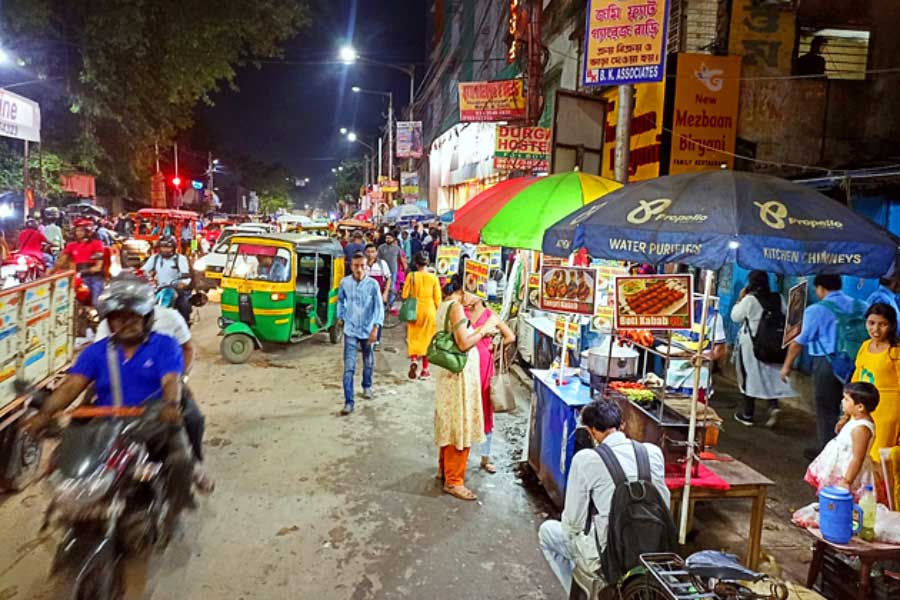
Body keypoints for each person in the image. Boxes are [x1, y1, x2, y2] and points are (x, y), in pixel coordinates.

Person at [24, 278, 194, 520]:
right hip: (106, 424)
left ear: (146, 318)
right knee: (69, 462)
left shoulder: (165, 346)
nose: (126, 323)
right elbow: (71, 386)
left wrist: (171, 404)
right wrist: (44, 414)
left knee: (180, 459)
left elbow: (170, 380)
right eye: (118, 317)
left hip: (152, 420)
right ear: (110, 321)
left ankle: (175, 508)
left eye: (133, 316)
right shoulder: (95, 352)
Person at [94, 276, 214, 494]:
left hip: (166, 383)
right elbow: (100, 356)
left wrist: (181, 377)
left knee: (192, 418)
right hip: (121, 385)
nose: (125, 320)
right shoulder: (108, 326)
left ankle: (195, 464)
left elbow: (187, 348)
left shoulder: (170, 318)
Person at [538, 400, 669, 595]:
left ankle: (582, 591)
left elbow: (573, 524)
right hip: (655, 550)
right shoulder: (653, 453)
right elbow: (664, 503)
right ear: (622, 425)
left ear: (591, 431)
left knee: (547, 532)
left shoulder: (586, 460)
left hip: (610, 558)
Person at [782, 274, 862, 454]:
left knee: (827, 409)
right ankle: (850, 452)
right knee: (852, 410)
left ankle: (827, 453)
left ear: (820, 288)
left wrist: (787, 366)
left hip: (827, 364)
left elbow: (797, 343)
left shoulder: (817, 310)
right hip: (857, 364)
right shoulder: (860, 305)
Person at [433, 275, 490, 501]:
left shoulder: (445, 305)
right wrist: (484, 330)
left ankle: (444, 470)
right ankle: (454, 481)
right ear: (465, 290)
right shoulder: (455, 306)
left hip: (450, 375)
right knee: (459, 423)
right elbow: (464, 343)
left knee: (450, 420)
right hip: (458, 377)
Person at [732, 270, 797, 427]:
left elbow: (735, 317)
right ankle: (773, 406)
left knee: (748, 377)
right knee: (769, 376)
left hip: (751, 344)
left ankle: (747, 414)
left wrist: (739, 300)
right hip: (772, 343)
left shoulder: (749, 299)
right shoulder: (778, 297)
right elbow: (788, 316)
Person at [851, 303, 900, 503]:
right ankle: (862, 501)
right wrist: (846, 413)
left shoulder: (895, 352)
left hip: (888, 413)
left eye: (882, 324)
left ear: (892, 326)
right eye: (871, 323)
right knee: (860, 456)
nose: (876, 329)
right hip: (863, 410)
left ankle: (881, 504)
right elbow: (856, 379)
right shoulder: (864, 347)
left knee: (879, 460)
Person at [804, 382, 879, 500]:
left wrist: (847, 481)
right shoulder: (857, 418)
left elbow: (857, 458)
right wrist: (845, 419)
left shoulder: (861, 429)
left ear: (860, 407)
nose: (842, 401)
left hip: (849, 471)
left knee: (845, 501)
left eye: (846, 399)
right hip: (841, 466)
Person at [466, 296, 515, 473]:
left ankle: (485, 457)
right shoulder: (461, 312)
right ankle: (460, 456)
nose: (466, 297)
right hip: (465, 365)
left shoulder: (490, 315)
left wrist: (494, 349)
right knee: (465, 409)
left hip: (484, 366)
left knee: (485, 411)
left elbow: (510, 336)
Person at [336, 252, 384, 415]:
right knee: (349, 366)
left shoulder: (373, 285)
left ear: (367, 266)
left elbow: (379, 307)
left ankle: (367, 385)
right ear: (351, 266)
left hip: (368, 329)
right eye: (356, 266)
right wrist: (340, 317)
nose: (359, 269)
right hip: (350, 330)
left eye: (362, 266)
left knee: (368, 361)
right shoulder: (345, 283)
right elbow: (340, 300)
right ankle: (349, 402)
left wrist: (376, 328)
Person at [402, 252, 442, 379]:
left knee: (413, 336)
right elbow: (438, 299)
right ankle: (425, 370)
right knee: (428, 340)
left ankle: (414, 360)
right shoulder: (433, 278)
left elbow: (404, 295)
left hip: (414, 309)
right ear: (428, 262)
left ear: (416, 263)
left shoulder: (411, 276)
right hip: (429, 309)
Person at [143, 236, 193, 325]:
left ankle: (185, 326)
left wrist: (182, 283)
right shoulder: (155, 258)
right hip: (158, 289)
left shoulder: (180, 259)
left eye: (168, 247)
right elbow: (143, 271)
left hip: (175, 290)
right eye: (163, 247)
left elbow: (186, 275)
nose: (165, 250)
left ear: (173, 248)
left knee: (184, 306)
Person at [56, 219, 105, 304]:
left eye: (81, 230)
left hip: (93, 277)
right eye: (77, 230)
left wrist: (82, 272)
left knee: (96, 302)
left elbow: (98, 266)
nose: (78, 233)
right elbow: (60, 262)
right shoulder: (71, 246)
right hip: (77, 278)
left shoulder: (97, 244)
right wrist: (50, 272)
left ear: (88, 231)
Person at [364, 243, 392, 350]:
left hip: (379, 295)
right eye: (368, 252)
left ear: (376, 253)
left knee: (377, 318)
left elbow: (388, 278)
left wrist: (385, 293)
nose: (370, 254)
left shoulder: (382, 264)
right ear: (365, 253)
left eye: (372, 252)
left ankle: (376, 341)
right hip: (365, 296)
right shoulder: (362, 264)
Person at [377, 231, 403, 307]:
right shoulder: (381, 247)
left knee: (392, 287)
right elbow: (378, 258)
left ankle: (390, 304)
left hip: (393, 270)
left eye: (389, 238)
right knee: (383, 285)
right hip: (383, 270)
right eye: (386, 238)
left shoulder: (397, 248)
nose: (387, 239)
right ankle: (382, 302)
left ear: (393, 239)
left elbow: (401, 259)